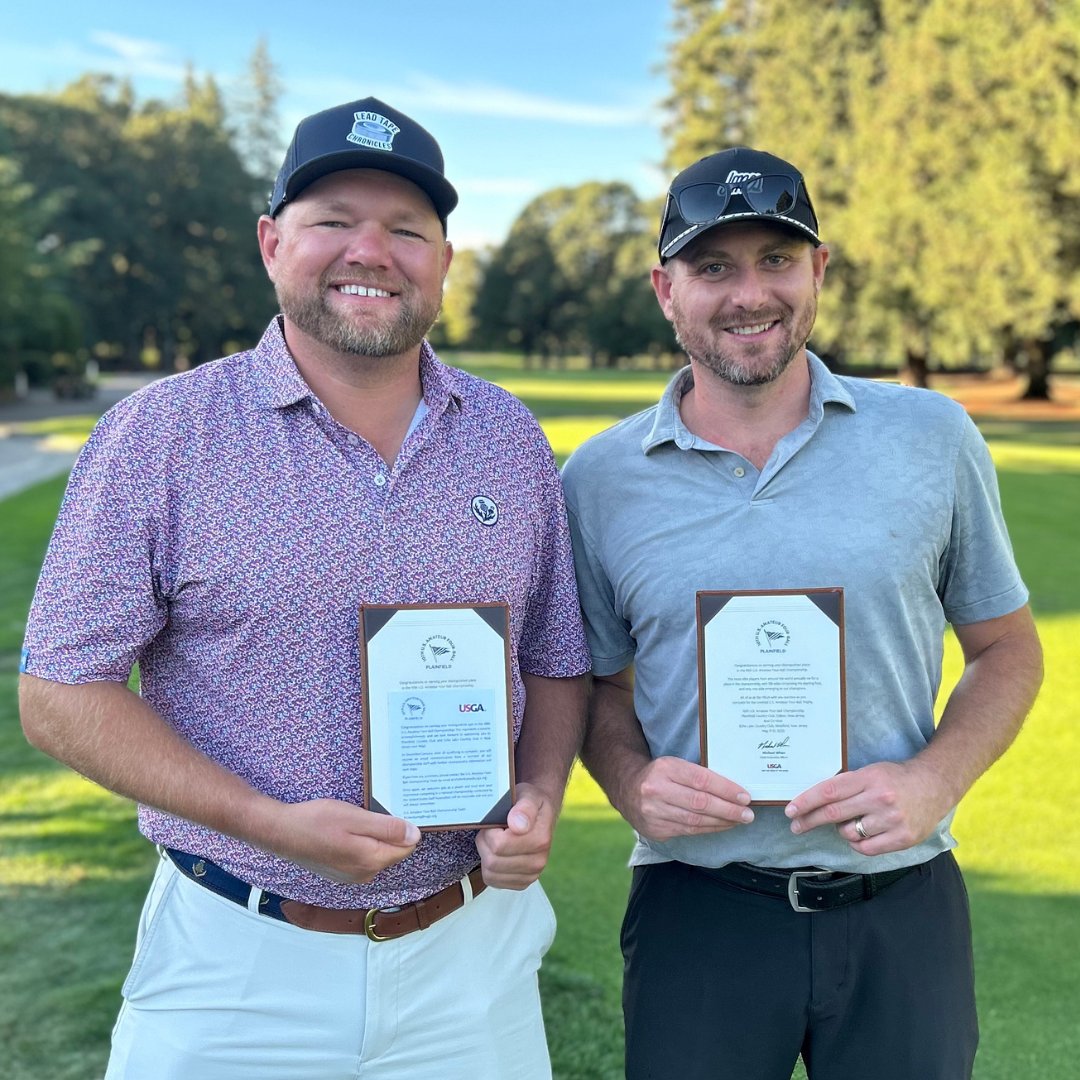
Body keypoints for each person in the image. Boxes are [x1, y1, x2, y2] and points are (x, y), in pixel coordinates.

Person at [19, 96, 590, 1080]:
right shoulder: (162, 435)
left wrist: (536, 795)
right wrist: (265, 823)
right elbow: (59, 690)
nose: (372, 251)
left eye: (407, 229)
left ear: (445, 262)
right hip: (237, 960)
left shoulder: (510, 439)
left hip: (470, 959)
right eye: (334, 221)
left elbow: (556, 658)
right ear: (272, 242)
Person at [560, 146, 1043, 1080]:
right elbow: (593, 686)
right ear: (666, 289)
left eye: (776, 260)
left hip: (901, 907)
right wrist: (629, 783)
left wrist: (934, 782)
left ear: (818, 270)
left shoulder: (932, 437)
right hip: (697, 909)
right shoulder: (599, 479)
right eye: (714, 268)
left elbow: (1007, 650)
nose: (750, 294)